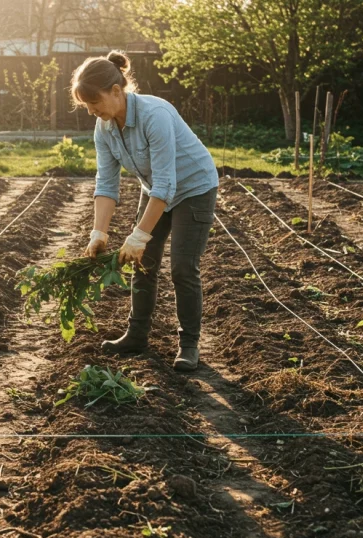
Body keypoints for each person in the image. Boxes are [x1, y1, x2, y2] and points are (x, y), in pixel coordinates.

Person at [72, 50, 219, 372]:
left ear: (115, 90)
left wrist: (138, 234)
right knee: (143, 264)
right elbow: (107, 183)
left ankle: (189, 345)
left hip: (194, 188)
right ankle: (137, 335)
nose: (91, 112)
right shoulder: (105, 128)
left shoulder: (155, 114)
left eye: (94, 103)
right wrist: (99, 233)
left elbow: (168, 183)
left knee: (182, 267)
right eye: (86, 106)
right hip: (156, 192)